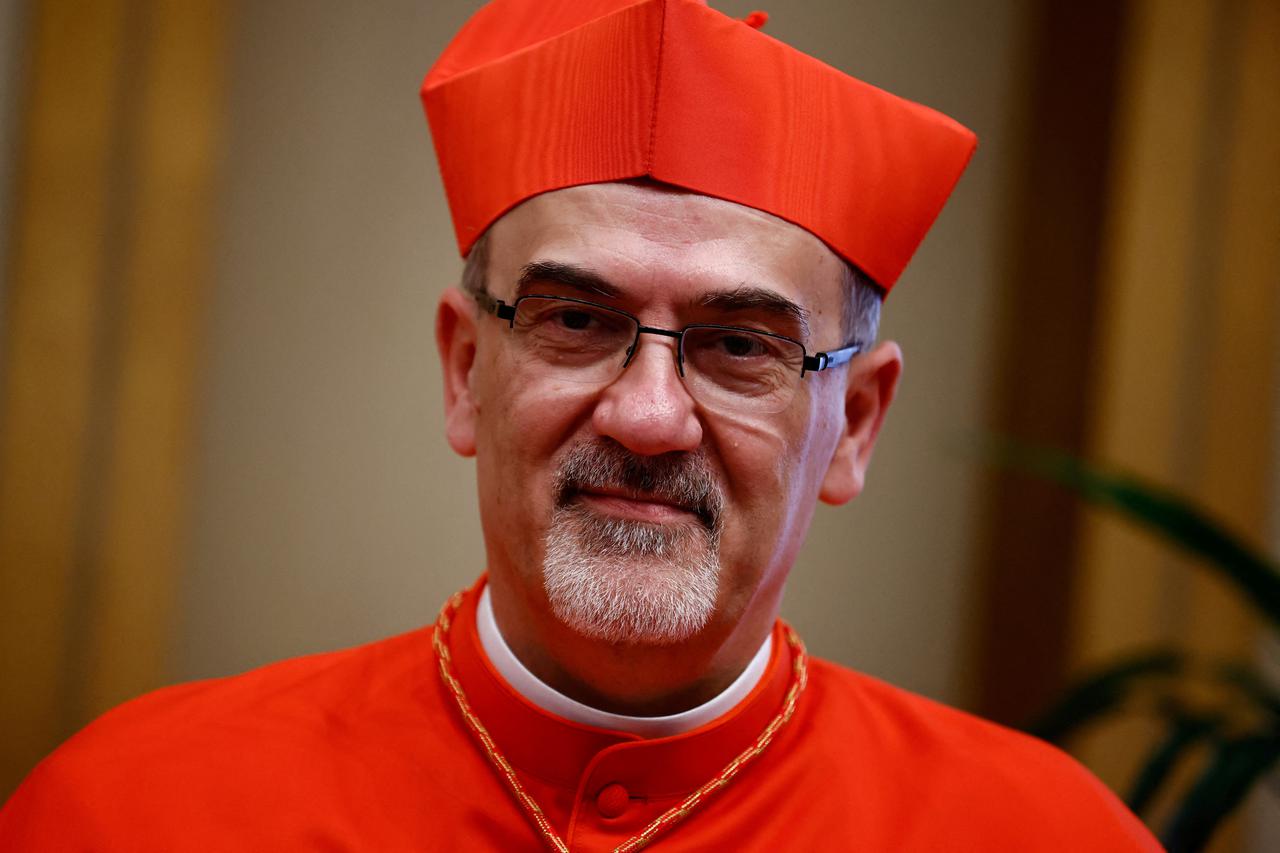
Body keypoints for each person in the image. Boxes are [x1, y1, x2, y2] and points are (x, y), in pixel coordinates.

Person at [1, 1, 1160, 849]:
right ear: (466, 368)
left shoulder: (1044, 835)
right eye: (574, 319)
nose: (649, 417)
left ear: (852, 421)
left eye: (738, 345)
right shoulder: (134, 809)